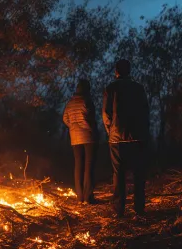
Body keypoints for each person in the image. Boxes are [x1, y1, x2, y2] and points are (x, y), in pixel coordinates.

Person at [102, 59, 150, 218]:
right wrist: (143, 132)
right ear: (129, 71)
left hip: (117, 139)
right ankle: (139, 208)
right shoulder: (138, 88)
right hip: (137, 138)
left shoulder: (111, 88)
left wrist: (110, 131)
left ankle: (119, 210)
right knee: (138, 174)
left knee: (119, 175)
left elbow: (106, 114)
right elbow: (145, 112)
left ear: (116, 71)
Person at [63, 79, 98, 204]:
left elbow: (65, 118)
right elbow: (91, 117)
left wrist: (73, 127)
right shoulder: (87, 101)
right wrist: (88, 126)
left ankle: (79, 197)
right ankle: (88, 197)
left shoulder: (70, 103)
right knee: (89, 166)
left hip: (75, 137)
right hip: (88, 136)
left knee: (78, 165)